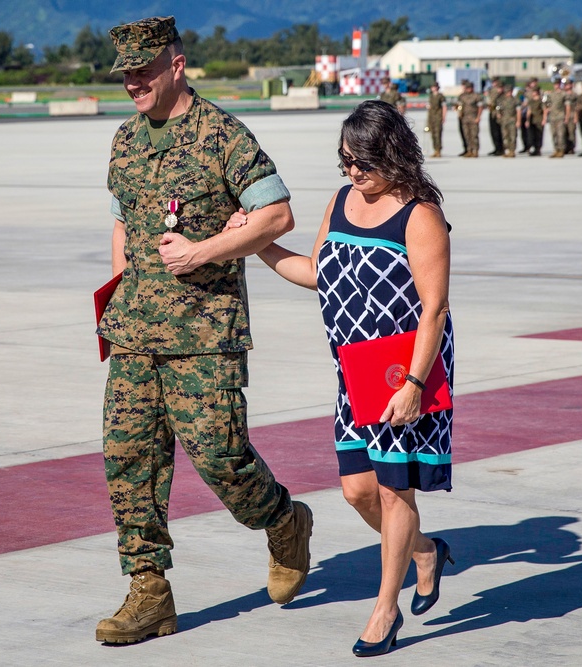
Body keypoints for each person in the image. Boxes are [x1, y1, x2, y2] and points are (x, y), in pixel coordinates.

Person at [94, 15, 313, 645]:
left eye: (143, 70)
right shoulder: (125, 141)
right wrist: (118, 297)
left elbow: (277, 213)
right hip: (135, 332)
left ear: (176, 65)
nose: (133, 83)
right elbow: (121, 224)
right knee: (127, 460)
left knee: (221, 458)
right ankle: (148, 591)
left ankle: (282, 519)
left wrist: (205, 251)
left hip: (203, 332)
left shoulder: (222, 134)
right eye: (126, 74)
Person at [230, 100, 455, 657]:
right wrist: (256, 241)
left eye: (362, 163)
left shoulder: (419, 214)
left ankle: (385, 609)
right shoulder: (341, 202)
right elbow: (316, 274)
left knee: (392, 487)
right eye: (345, 162)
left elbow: (435, 309)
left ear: (392, 154)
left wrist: (414, 385)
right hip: (353, 370)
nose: (352, 173)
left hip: (405, 370)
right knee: (357, 491)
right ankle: (424, 552)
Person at [543, 80, 570, 158]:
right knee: (554, 134)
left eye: (558, 84)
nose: (556, 86)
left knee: (560, 134)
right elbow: (546, 104)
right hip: (552, 117)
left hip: (560, 117)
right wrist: (546, 115)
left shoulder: (563, 94)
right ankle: (556, 150)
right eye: (555, 84)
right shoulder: (551, 94)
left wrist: (567, 117)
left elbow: (567, 106)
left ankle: (561, 150)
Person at [457, 80, 483, 157]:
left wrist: (478, 117)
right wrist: (459, 114)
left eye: (469, 88)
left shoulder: (476, 96)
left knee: (474, 135)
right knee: (467, 135)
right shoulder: (462, 96)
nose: (468, 89)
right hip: (465, 118)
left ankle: (475, 151)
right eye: (467, 88)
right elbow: (459, 106)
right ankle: (469, 150)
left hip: (473, 118)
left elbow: (480, 107)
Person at [496, 84, 521, 157]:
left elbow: (518, 111)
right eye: (507, 91)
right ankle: (507, 150)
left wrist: (518, 121)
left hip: (512, 120)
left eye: (509, 91)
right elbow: (498, 108)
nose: (508, 93)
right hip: (504, 120)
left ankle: (512, 151)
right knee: (505, 136)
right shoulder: (501, 100)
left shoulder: (515, 100)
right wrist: (498, 114)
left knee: (512, 136)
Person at [426, 81, 446, 157]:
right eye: (432, 87)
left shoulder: (440, 96)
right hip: (431, 117)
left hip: (438, 117)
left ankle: (438, 150)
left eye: (434, 87)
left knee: (438, 134)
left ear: (437, 87)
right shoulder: (431, 96)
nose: (433, 88)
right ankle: (435, 150)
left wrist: (443, 117)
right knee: (433, 134)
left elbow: (444, 107)